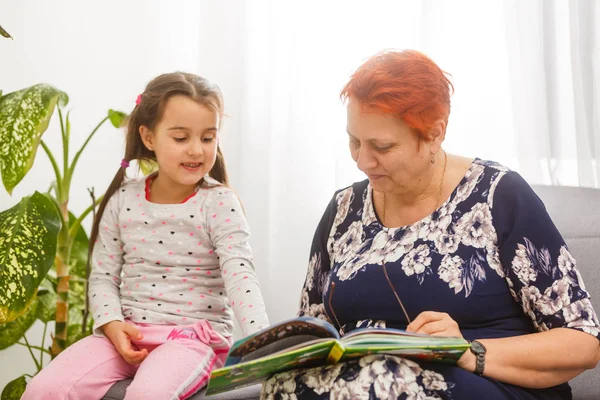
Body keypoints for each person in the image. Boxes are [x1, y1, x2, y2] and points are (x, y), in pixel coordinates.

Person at [261, 50, 600, 399]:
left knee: (379, 382)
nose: (363, 161)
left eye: (382, 146)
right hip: (361, 385)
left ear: (435, 134)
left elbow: (582, 342)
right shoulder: (343, 209)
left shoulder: (498, 196)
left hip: (485, 383)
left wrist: (469, 351)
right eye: (354, 141)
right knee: (282, 387)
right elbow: (313, 332)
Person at [23, 72, 270, 400]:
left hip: (191, 340)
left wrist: (264, 344)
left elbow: (240, 276)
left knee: (147, 394)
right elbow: (102, 278)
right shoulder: (124, 200)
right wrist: (112, 325)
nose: (196, 150)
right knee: (44, 388)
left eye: (208, 138)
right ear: (149, 137)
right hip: (126, 334)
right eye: (181, 138)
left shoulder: (219, 202)